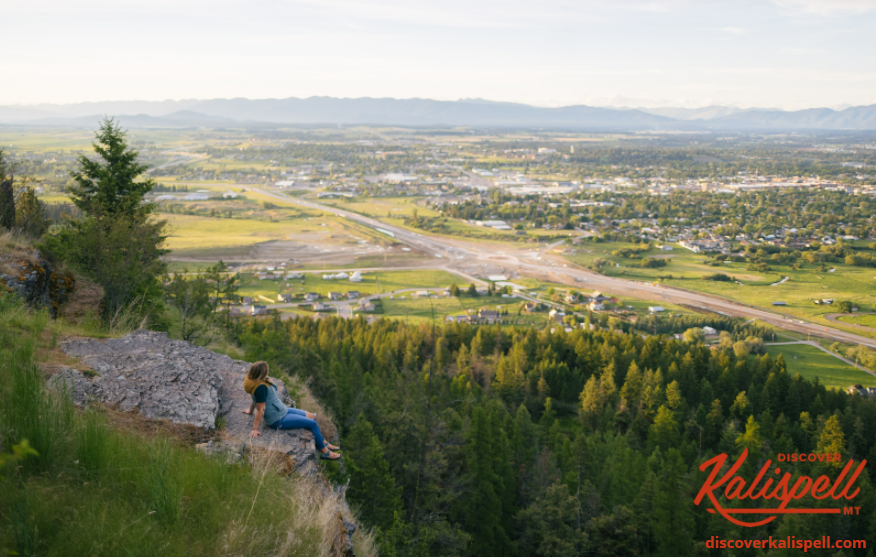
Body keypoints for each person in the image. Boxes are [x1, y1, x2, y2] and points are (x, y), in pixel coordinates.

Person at [242, 361, 340, 460]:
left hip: (281, 410)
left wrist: (250, 411)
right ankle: (325, 452)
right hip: (277, 419)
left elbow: (255, 400)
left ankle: (323, 442)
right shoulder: (260, 387)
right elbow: (260, 408)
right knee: (312, 424)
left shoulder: (255, 381)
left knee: (312, 416)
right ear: (262, 373)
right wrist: (255, 428)